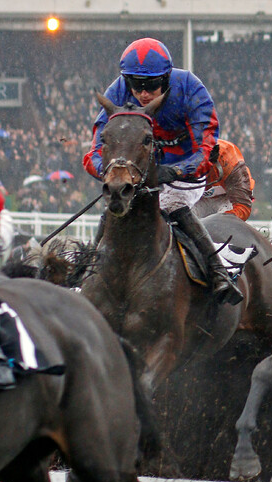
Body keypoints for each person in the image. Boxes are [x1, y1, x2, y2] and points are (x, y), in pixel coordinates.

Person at [83, 37, 242, 304]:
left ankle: (218, 271)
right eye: (136, 85)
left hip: (185, 175)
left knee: (171, 204)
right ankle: (85, 273)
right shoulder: (116, 92)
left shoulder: (191, 89)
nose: (143, 93)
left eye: (152, 85)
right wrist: (112, 172)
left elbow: (206, 149)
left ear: (166, 78)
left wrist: (177, 171)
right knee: (113, 208)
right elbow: (94, 152)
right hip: (138, 173)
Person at [193, 139, 255, 221]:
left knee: (222, 222)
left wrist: (222, 221)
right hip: (198, 199)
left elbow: (243, 207)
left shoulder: (229, 158)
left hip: (229, 198)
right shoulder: (176, 155)